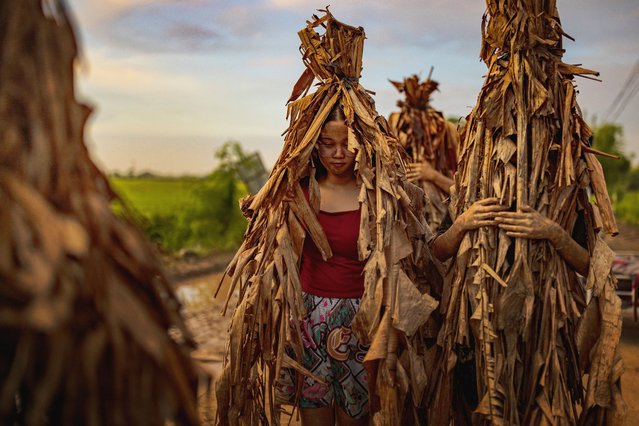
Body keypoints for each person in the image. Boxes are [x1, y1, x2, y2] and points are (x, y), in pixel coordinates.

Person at [289, 106, 370, 426]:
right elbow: (283, 258)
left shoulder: (377, 195)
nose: (338, 154)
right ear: (313, 144)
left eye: (347, 144)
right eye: (327, 144)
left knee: (355, 418)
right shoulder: (299, 192)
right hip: (309, 322)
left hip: (361, 323)